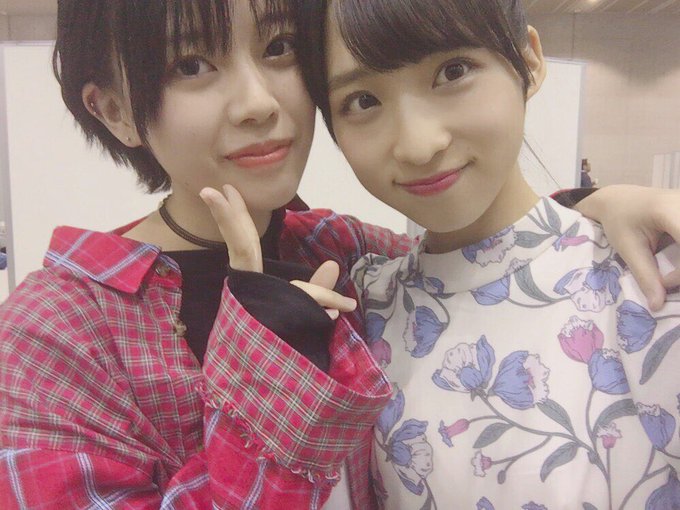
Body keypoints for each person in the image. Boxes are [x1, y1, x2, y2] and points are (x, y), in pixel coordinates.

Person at [0, 1, 678, 509]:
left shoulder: (338, 251)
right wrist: (268, 373)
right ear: (114, 109)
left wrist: (594, 209)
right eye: (192, 65)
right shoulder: (51, 335)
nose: (259, 102)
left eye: (278, 46)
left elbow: (474, 263)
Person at [289, 0, 680, 508]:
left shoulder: (648, 281)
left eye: (453, 72)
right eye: (363, 101)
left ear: (529, 61)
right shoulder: (362, 309)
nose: (418, 144)